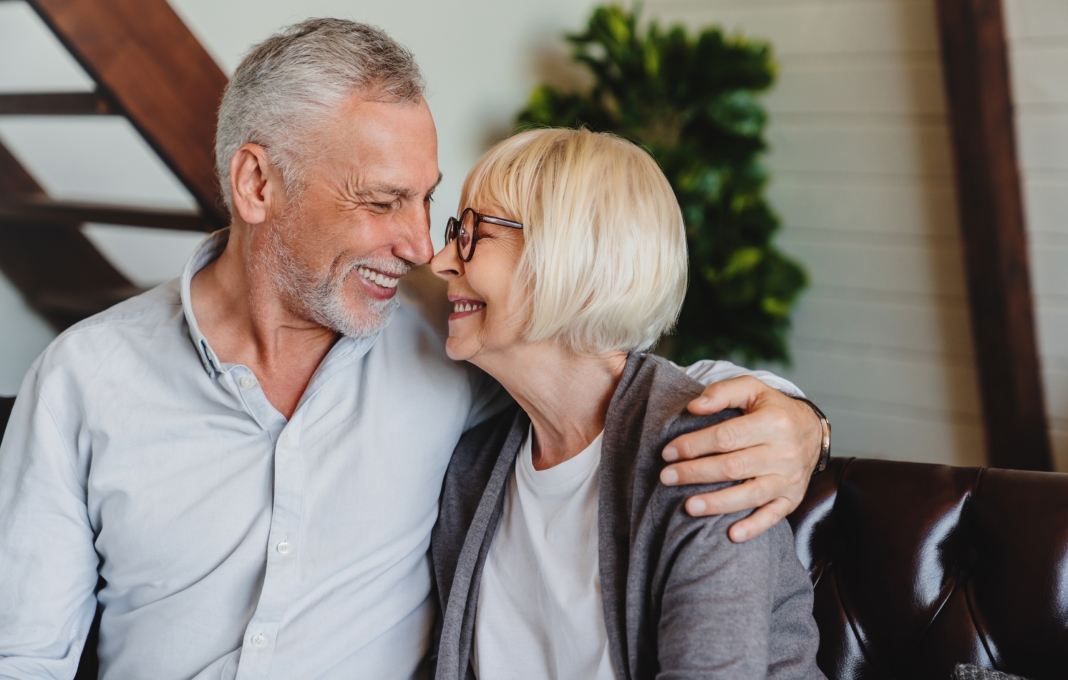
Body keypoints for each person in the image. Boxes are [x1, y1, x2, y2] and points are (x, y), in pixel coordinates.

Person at [0, 19, 826, 680]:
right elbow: (23, 655)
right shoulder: (85, 380)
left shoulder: (447, 339)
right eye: (384, 201)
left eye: (430, 203)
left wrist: (796, 420)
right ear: (258, 185)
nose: (421, 245)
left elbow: (610, 383)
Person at [430, 128, 823, 679]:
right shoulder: (472, 468)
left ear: (574, 258)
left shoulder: (707, 455)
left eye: (475, 233)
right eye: (454, 231)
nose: (442, 260)